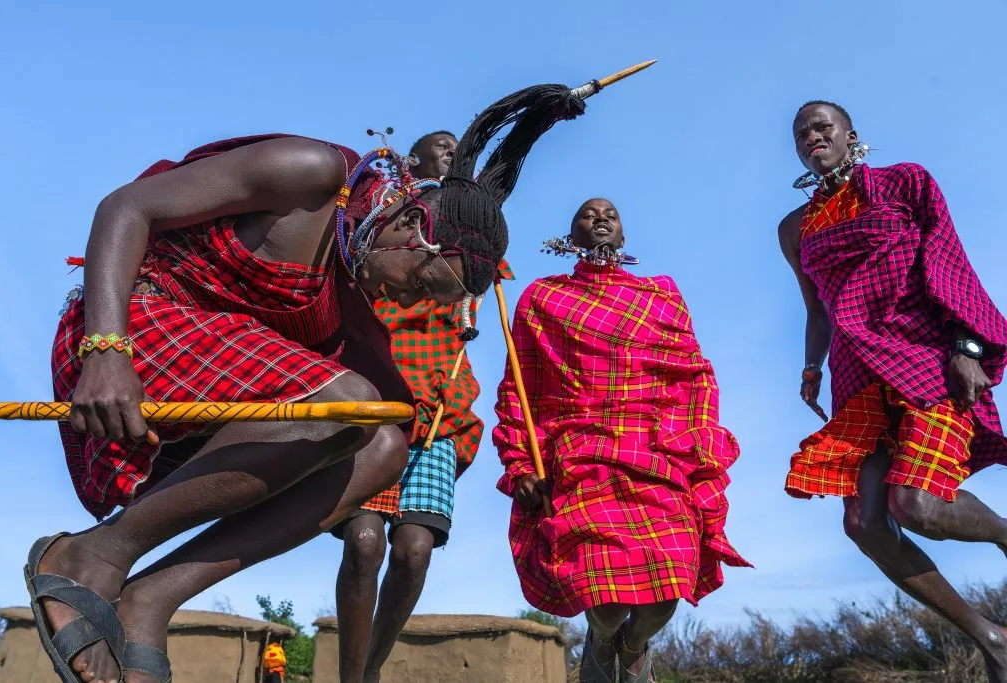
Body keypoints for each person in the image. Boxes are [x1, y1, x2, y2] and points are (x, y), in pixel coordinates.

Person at [26, 80, 593, 683]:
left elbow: (395, 415)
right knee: (351, 405)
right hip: (131, 334)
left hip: (202, 389)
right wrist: (106, 350)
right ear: (410, 224)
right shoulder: (314, 174)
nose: (405, 300)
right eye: (419, 285)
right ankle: (94, 555)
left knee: (384, 440)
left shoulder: (354, 293)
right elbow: (125, 207)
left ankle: (154, 597)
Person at [778, 101, 1007, 682]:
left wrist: (969, 346)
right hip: (856, 376)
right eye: (801, 133)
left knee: (917, 504)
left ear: (851, 134)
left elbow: (949, 261)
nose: (812, 136)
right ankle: (993, 638)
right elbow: (817, 308)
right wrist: (811, 368)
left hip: (924, 357)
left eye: (822, 126)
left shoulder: (905, 182)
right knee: (865, 525)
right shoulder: (794, 229)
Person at [493, 198, 749, 683]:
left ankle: (633, 650)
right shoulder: (541, 298)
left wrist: (695, 446)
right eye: (588, 214)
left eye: (610, 213)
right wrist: (520, 464)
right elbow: (519, 388)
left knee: (670, 582)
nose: (601, 218)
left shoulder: (661, 296)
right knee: (605, 600)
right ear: (571, 236)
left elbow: (694, 377)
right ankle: (603, 641)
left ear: (624, 236)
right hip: (581, 456)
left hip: (657, 455)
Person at [328, 131, 511, 683]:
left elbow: (480, 272)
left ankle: (371, 670)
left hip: (438, 412)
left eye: (458, 149)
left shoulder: (469, 244)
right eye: (441, 148)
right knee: (363, 543)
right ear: (417, 161)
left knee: (413, 551)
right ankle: (351, 677)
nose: (453, 153)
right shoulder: (383, 224)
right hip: (374, 403)